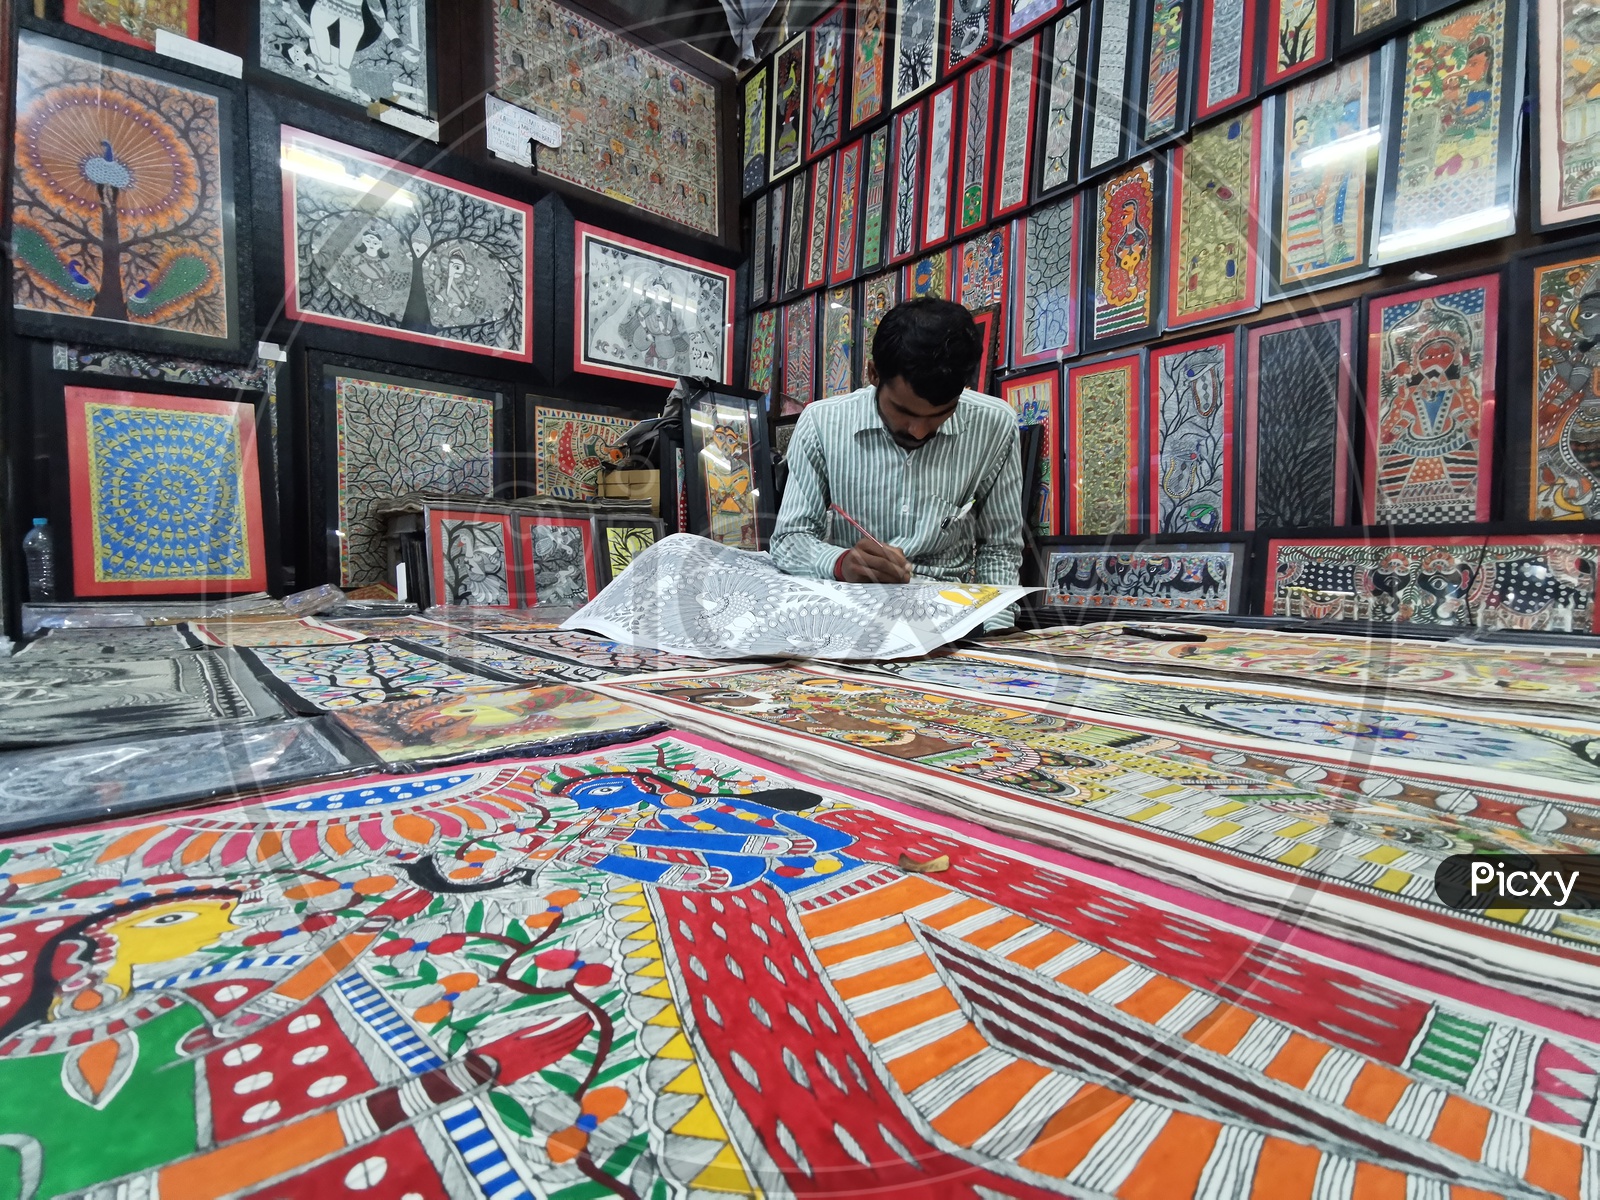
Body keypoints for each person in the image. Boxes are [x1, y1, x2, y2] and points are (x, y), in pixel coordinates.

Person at [769, 297, 1023, 628]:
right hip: (850, 610)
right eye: (904, 412)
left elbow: (1001, 548)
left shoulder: (994, 425)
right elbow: (789, 539)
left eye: (941, 415)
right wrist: (841, 562)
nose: (919, 431)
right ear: (873, 373)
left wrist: (993, 630)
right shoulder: (822, 423)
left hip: (948, 618)